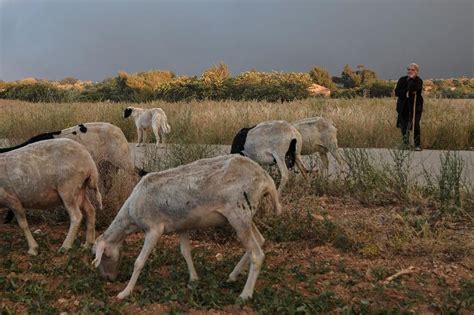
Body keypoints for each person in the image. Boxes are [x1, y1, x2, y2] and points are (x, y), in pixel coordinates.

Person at [394, 63, 424, 150]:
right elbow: (397, 92)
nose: (410, 71)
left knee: (415, 124)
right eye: (409, 69)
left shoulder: (418, 80)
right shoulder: (402, 79)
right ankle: (406, 144)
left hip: (415, 106)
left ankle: (417, 145)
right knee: (403, 125)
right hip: (403, 106)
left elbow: (413, 88)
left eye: (412, 70)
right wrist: (406, 92)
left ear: (417, 71)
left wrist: (411, 79)